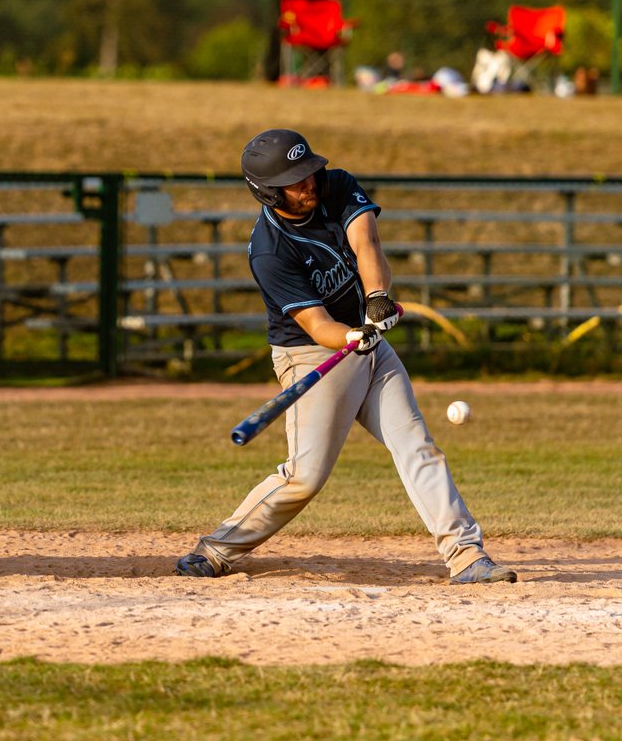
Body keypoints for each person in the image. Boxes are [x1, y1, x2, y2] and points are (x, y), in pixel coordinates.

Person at [175, 129, 517, 585]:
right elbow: (318, 327)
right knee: (305, 477)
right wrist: (351, 335)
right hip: (312, 355)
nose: (309, 184)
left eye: (308, 173)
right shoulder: (270, 252)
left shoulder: (335, 186)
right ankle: (218, 548)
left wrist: (376, 298)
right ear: (267, 191)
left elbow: (366, 245)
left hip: (369, 343)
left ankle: (466, 556)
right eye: (295, 181)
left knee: (418, 447)